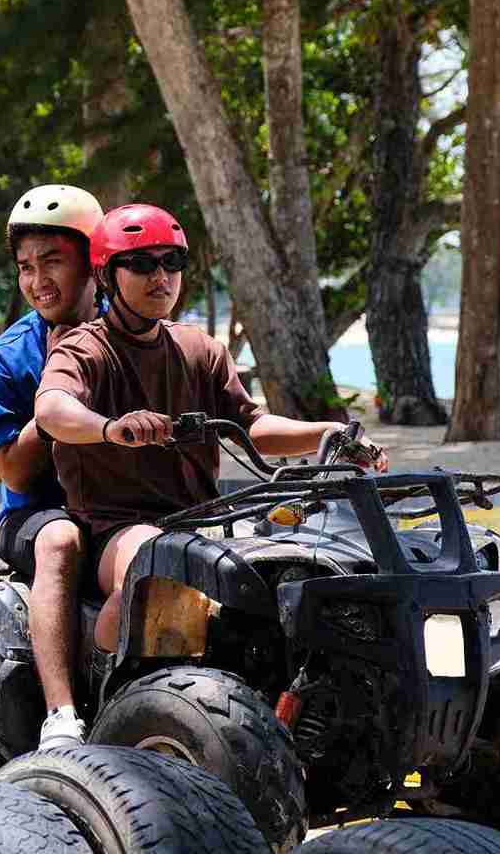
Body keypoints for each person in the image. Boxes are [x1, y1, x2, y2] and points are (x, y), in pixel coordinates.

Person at [34, 203, 388, 659]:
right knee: (158, 566)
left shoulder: (200, 349)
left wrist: (331, 431)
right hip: (118, 526)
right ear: (106, 275)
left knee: (305, 568)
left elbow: (252, 425)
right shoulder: (84, 348)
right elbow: (52, 409)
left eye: (172, 262)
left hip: (208, 518)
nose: (160, 277)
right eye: (141, 264)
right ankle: (108, 678)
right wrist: (111, 427)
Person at [0, 184, 105, 751]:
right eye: (26, 267)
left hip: (123, 506)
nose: (37, 280)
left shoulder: (131, 334)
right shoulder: (7, 357)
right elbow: (14, 475)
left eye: (52, 260)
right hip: (39, 512)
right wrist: (53, 399)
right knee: (59, 541)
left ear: (93, 261)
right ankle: (61, 714)